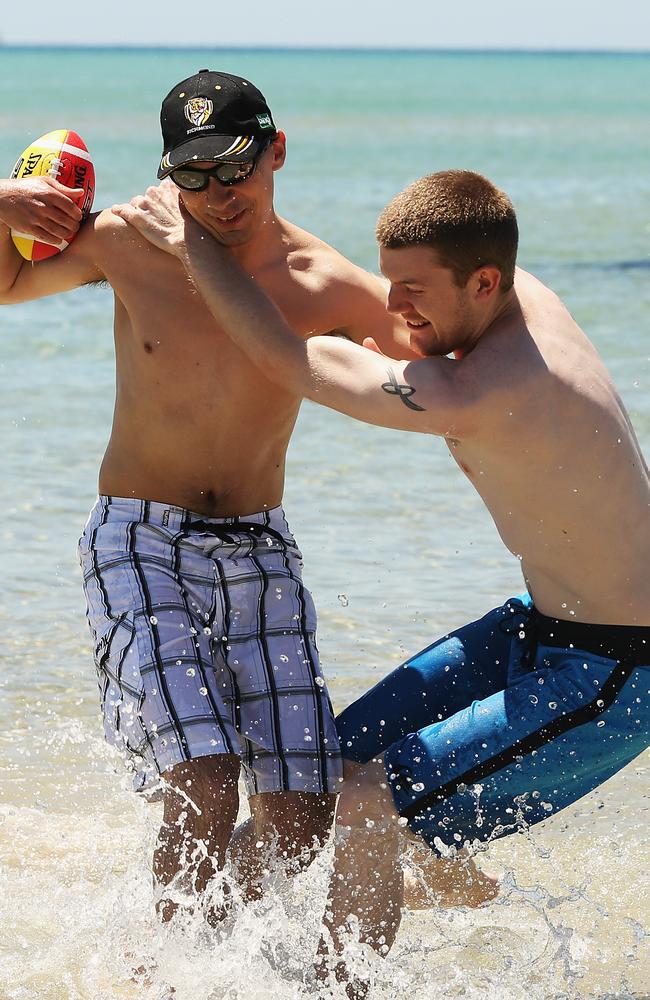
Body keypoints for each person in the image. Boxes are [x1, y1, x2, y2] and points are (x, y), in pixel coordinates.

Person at [113, 167, 650, 988]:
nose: (395, 312)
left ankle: (339, 981)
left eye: (414, 293)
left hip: (615, 671)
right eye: (394, 285)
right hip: (533, 625)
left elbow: (288, 362)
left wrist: (192, 242)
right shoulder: (520, 295)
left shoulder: (479, 388)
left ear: (484, 280)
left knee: (370, 804)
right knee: (317, 776)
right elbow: (361, 315)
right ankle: (192, 966)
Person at [0, 68, 421, 923]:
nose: (219, 194)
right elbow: (7, 283)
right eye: (192, 174)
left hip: (259, 547)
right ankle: (169, 971)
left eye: (236, 167)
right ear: (167, 173)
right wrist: (5, 203)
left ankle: (212, 939)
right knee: (202, 776)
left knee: (301, 821)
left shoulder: (324, 284)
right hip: (137, 540)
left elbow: (446, 357)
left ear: (277, 151)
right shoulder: (127, 239)